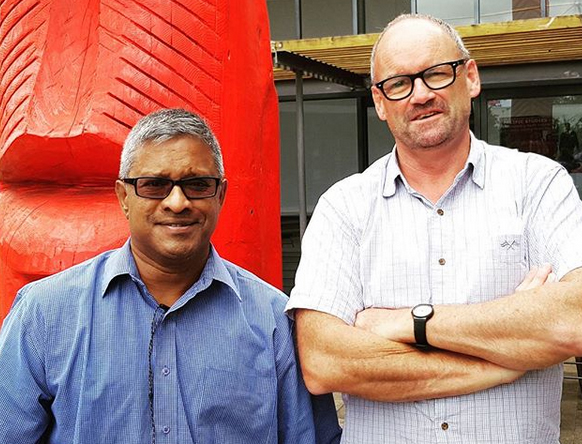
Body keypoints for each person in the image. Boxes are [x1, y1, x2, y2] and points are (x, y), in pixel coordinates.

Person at [286, 13, 582, 444]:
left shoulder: (537, 185)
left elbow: (574, 317)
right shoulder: (343, 207)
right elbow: (324, 361)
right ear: (381, 102)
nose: (420, 95)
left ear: (471, 77)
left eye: (436, 74)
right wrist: (508, 357)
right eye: (399, 83)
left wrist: (410, 323)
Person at [0, 109, 341, 444]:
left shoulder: (273, 322)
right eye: (154, 185)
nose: (177, 202)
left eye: (197, 185)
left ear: (220, 195)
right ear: (123, 197)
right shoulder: (45, 314)